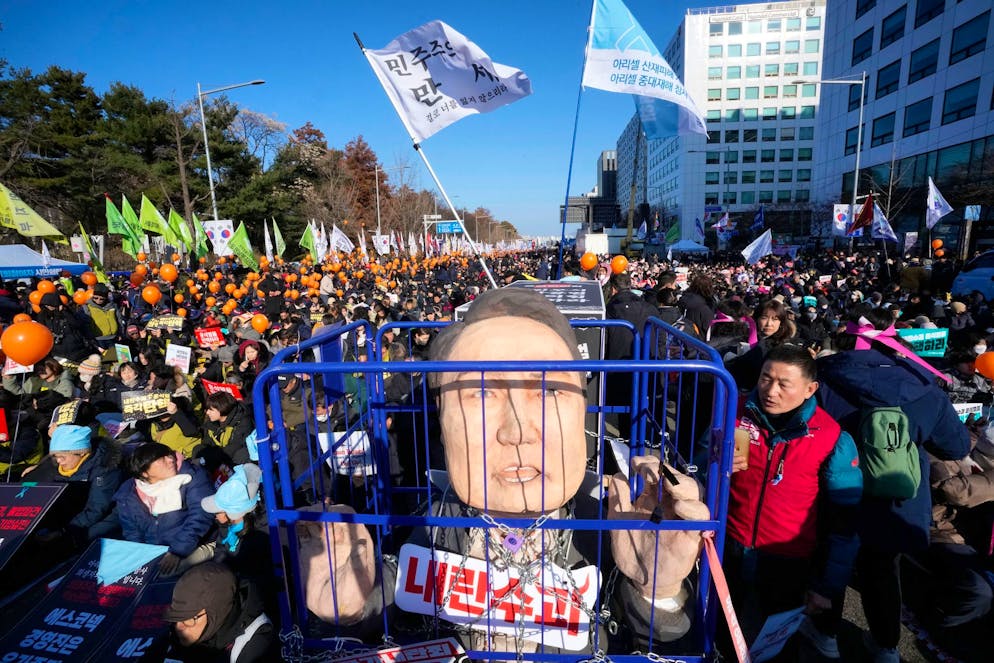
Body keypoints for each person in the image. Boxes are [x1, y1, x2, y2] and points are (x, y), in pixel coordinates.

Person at [296, 288, 710, 654]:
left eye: (547, 390)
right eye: (480, 393)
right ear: (443, 423)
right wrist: (352, 607)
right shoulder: (443, 517)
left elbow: (663, 644)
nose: (515, 433)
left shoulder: (608, 527)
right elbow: (399, 589)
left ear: (582, 409)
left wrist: (660, 594)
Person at [816, 309, 971, 662]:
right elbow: (956, 446)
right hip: (898, 495)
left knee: (831, 561)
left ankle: (825, 635)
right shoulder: (923, 385)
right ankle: (886, 645)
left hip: (836, 490)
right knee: (883, 570)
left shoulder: (826, 377)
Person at [725, 346, 862, 658]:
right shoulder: (734, 410)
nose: (771, 391)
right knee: (720, 633)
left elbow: (846, 522)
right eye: (765, 379)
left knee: (776, 647)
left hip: (788, 561)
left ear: (810, 389)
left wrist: (827, 587)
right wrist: (716, 465)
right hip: (729, 547)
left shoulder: (832, 437)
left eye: (784, 384)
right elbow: (699, 466)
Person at [114, 442, 215, 576]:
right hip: (156, 550)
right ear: (145, 473)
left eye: (169, 455)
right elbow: (131, 531)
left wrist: (176, 552)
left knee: (164, 574)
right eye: (161, 459)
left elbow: (200, 517)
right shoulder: (129, 493)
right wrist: (141, 556)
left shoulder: (192, 477)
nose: (170, 460)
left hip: (193, 544)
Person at [21, 423, 122, 545]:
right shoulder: (61, 464)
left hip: (103, 517)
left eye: (62, 457)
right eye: (55, 457)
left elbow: (97, 508)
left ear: (82, 453)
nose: (59, 461)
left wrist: (65, 532)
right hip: (73, 513)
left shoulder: (104, 469)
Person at [163, 562, 275, 662]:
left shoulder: (253, 647)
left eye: (188, 619)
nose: (178, 627)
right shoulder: (181, 633)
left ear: (216, 611)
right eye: (176, 617)